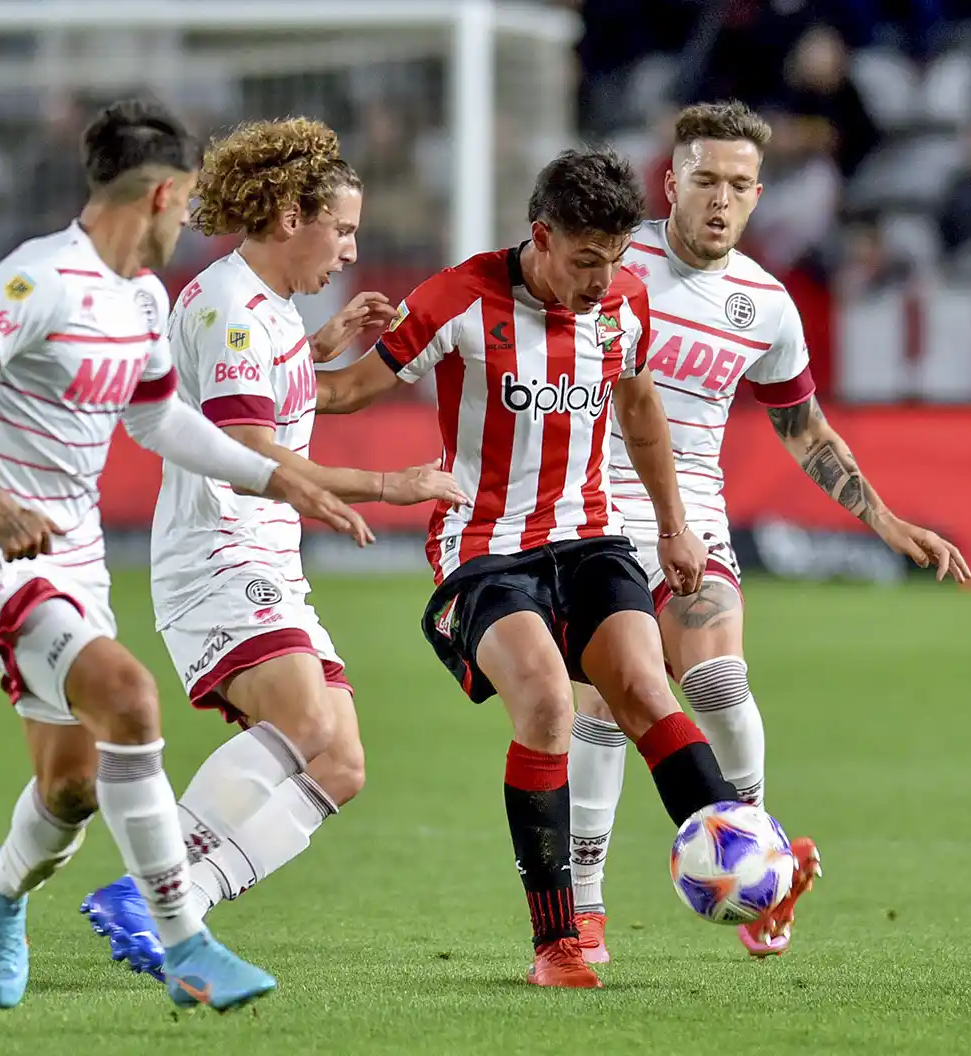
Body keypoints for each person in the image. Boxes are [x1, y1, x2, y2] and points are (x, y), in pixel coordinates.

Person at [0, 98, 371, 1013]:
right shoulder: (41, 280)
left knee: (68, 788)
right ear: (159, 193)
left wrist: (282, 481)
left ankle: (0, 893)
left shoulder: (143, 300)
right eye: (187, 199)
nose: (195, 217)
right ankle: (185, 936)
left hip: (71, 564)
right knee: (129, 696)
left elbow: (157, 420)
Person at [311, 147, 819, 988]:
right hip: (485, 551)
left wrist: (674, 528)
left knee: (646, 690)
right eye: (585, 260)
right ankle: (558, 943)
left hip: (591, 538)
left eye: (615, 260)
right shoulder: (456, 298)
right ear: (540, 237)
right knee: (547, 703)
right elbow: (346, 392)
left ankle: (760, 875)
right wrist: (300, 358)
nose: (600, 280)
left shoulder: (624, 302)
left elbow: (641, 409)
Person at [567, 99, 967, 964]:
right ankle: (585, 911)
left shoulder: (765, 304)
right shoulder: (606, 260)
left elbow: (805, 429)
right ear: (669, 181)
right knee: (601, 712)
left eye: (739, 186)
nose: (719, 200)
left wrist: (884, 517)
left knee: (717, 681)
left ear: (759, 196)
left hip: (694, 518)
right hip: (589, 511)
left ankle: (762, 871)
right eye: (704, 180)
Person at [78, 118, 468, 979]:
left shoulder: (269, 311)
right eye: (344, 229)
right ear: (292, 214)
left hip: (263, 562)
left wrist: (328, 348)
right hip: (220, 557)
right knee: (310, 727)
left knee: (342, 763)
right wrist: (384, 485)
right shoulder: (232, 311)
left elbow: (292, 400)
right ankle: (157, 893)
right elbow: (251, 446)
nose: (351, 251)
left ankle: (177, 896)